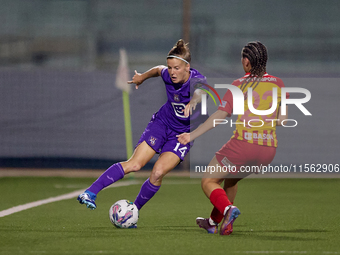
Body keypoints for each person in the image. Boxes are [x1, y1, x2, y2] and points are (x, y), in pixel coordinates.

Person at [77, 39, 208, 220]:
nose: (172, 72)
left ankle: (133, 211)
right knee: (135, 164)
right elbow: (158, 69)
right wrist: (142, 77)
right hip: (162, 123)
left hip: (182, 135)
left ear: (187, 67)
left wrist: (193, 101)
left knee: (158, 173)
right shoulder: (167, 74)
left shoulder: (197, 79)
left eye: (177, 68)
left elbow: (200, 92)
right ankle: (90, 193)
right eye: (170, 67)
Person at [177, 41, 289, 235]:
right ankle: (214, 222)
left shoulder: (239, 84)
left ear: (246, 61)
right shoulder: (278, 83)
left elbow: (219, 117)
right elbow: (283, 120)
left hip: (243, 146)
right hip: (267, 152)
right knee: (230, 181)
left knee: (208, 181)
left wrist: (191, 134)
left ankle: (228, 209)